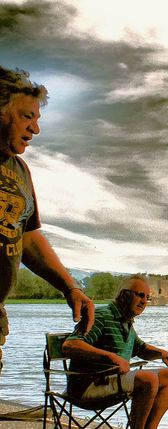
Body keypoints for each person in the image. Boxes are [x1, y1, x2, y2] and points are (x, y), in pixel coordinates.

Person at [0, 66, 94, 372]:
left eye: (37, 119)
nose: (35, 129)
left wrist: (71, 287)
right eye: (27, 116)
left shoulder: (19, 171)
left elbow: (27, 236)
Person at [62, 275, 168, 429]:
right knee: (147, 378)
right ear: (124, 295)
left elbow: (140, 349)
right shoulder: (101, 316)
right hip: (88, 385)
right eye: (140, 295)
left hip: (111, 382)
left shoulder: (126, 322)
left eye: (147, 297)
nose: (144, 301)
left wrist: (162, 353)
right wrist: (111, 357)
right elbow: (70, 345)